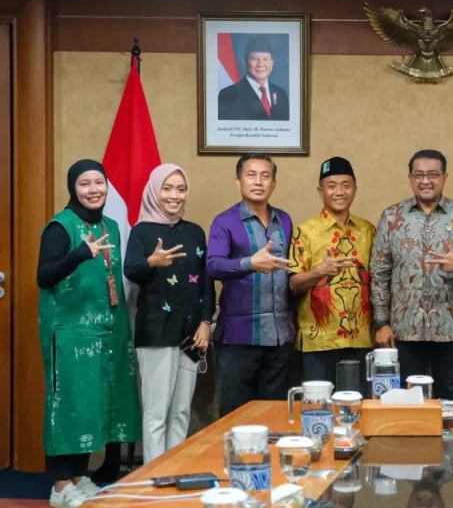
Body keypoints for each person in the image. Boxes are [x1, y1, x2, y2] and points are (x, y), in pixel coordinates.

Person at [37, 160, 142, 507]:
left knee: (92, 405)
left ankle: (79, 478)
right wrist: (80, 254)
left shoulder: (110, 226)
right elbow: (44, 276)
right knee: (69, 405)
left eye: (99, 182)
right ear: (73, 188)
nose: (94, 190)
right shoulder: (60, 226)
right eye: (85, 183)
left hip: (105, 331)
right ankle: (60, 486)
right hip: (70, 333)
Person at [370, 150, 453, 400]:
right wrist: (381, 323)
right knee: (406, 397)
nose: (426, 181)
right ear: (410, 178)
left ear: (444, 177)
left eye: (433, 174)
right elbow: (379, 272)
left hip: (451, 328)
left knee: (449, 395)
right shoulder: (391, 217)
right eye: (419, 175)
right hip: (404, 328)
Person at [123, 164, 215, 463]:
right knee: (156, 413)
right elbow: (131, 270)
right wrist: (150, 262)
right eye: (167, 188)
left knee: (181, 411)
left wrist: (205, 322)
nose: (175, 195)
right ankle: (153, 476)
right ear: (154, 191)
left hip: (191, 334)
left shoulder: (195, 232)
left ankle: (175, 471)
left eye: (181, 189)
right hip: (156, 333)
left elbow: (206, 282)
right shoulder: (141, 231)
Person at [206, 153, 294, 417]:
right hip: (239, 338)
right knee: (237, 416)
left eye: (265, 176)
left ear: (273, 184)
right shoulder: (225, 222)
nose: (258, 182)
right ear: (238, 181)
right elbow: (213, 265)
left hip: (279, 337)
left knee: (274, 415)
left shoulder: (284, 220)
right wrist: (250, 263)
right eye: (251, 175)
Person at [289, 157, 375, 386]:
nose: (339, 192)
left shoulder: (368, 231)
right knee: (318, 404)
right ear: (321, 192)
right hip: (318, 341)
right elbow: (293, 285)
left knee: (356, 403)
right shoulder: (305, 232)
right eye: (332, 185)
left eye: (346, 185)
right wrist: (319, 272)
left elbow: (380, 281)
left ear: (355, 189)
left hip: (360, 339)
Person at [218, 35, 290, 121]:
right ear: (245, 62)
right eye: (255, 59)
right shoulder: (228, 95)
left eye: (265, 59)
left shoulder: (281, 95)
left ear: (272, 62)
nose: (261, 64)